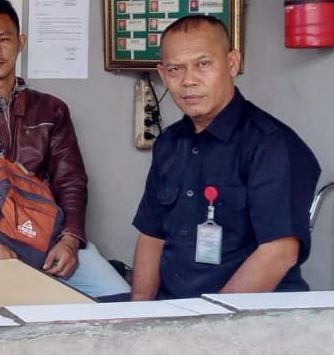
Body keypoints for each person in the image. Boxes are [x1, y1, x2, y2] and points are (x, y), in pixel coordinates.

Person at [0, 0, 130, 299]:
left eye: (3, 39)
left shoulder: (51, 110)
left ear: (20, 42)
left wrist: (70, 240)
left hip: (47, 234)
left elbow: (71, 181)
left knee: (118, 298)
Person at [130, 15, 321, 300]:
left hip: (249, 314)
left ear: (232, 63)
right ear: (163, 74)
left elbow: (279, 253)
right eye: (175, 69)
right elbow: (152, 235)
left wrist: (208, 321)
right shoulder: (169, 144)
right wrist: (138, 314)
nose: (188, 80)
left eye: (203, 64)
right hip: (174, 308)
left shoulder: (271, 145)